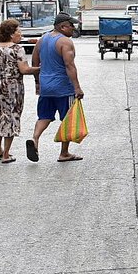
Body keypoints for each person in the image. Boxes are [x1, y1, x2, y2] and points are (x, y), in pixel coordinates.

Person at [0, 19, 40, 163]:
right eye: (19, 31)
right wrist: (40, 69)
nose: (21, 34)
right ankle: (6, 154)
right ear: (11, 34)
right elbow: (24, 70)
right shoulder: (17, 49)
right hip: (11, 89)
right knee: (10, 117)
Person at [27, 13, 85, 162]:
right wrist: (77, 87)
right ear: (62, 26)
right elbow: (69, 65)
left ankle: (35, 139)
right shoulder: (65, 42)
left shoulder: (42, 39)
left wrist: (38, 83)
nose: (73, 28)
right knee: (68, 119)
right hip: (63, 88)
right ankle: (64, 153)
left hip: (46, 86)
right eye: (71, 25)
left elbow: (35, 61)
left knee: (44, 116)